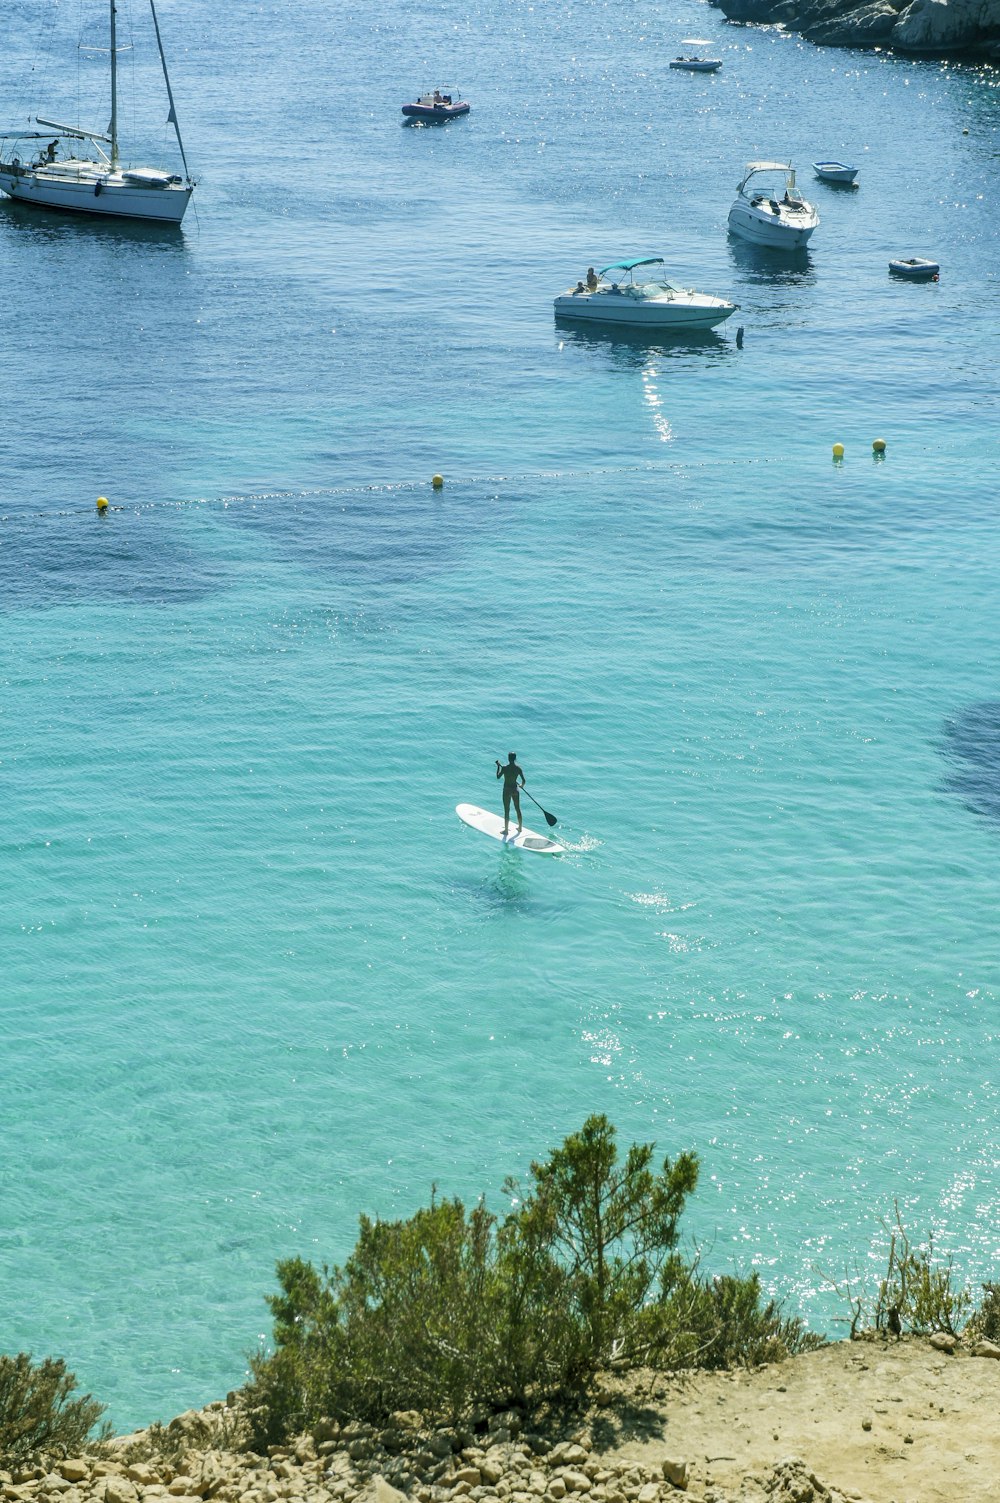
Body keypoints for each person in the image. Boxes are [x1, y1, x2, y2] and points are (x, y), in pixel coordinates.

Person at [495, 752, 525, 838]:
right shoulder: (518, 769)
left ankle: (506, 830)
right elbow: (523, 781)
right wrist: (521, 786)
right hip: (515, 790)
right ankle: (519, 828)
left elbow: (498, 777)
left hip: (507, 790)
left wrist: (498, 767)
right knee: (517, 809)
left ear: (508, 758)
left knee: (507, 810)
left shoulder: (504, 768)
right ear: (515, 758)